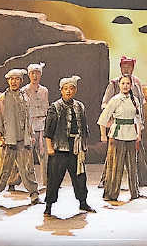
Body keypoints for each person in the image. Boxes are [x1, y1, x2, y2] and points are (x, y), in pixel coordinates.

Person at [43, 76, 96, 217]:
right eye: (65, 89)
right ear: (61, 90)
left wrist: (83, 145)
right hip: (60, 148)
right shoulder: (55, 107)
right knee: (54, 178)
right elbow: (48, 130)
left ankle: (83, 202)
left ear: (75, 90)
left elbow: (84, 127)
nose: (68, 91)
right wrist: (49, 147)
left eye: (71, 89)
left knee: (80, 177)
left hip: (76, 148)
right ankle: (48, 206)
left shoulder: (80, 106)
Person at [101, 56, 147, 188]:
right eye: (124, 67)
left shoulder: (136, 83)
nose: (126, 69)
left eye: (129, 67)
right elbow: (106, 104)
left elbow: (140, 102)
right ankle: (105, 180)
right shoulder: (115, 83)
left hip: (133, 124)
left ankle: (143, 179)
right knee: (114, 155)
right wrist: (111, 121)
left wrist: (140, 123)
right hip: (119, 124)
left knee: (138, 152)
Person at [0, 68, 40, 207]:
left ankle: (34, 194)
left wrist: (30, 134)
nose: (14, 82)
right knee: (2, 169)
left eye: (16, 79)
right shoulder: (2, 98)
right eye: (11, 79)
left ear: (21, 81)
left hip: (23, 139)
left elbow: (28, 117)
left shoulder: (25, 97)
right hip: (7, 140)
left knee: (28, 168)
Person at [99, 75, 145, 202]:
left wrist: (138, 134)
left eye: (128, 83)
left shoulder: (134, 100)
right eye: (123, 83)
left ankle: (135, 192)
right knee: (116, 165)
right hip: (117, 135)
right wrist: (103, 135)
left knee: (132, 165)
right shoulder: (115, 100)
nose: (125, 86)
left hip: (131, 135)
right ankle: (111, 193)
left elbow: (138, 118)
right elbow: (103, 118)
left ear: (131, 85)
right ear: (119, 85)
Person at [20, 63, 50, 189]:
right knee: (27, 155)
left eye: (37, 73)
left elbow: (46, 108)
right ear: (28, 75)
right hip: (30, 125)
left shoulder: (44, 91)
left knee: (44, 154)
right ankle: (27, 182)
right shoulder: (24, 91)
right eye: (32, 73)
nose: (34, 76)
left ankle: (47, 181)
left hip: (42, 124)